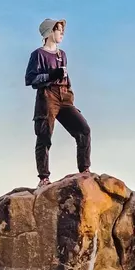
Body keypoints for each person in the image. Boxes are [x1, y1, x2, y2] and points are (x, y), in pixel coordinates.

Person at [24, 18, 91, 186]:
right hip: (47, 96)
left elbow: (65, 77)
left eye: (62, 30)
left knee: (83, 129)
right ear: (49, 32)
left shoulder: (63, 55)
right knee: (44, 136)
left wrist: (69, 94)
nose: (62, 33)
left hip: (65, 96)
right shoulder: (38, 54)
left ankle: (84, 171)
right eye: (59, 29)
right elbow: (30, 79)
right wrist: (51, 75)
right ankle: (44, 178)